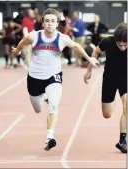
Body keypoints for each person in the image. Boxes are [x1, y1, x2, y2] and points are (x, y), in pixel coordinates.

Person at [12, 8, 99, 151]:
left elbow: (76, 46)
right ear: (43, 23)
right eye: (47, 21)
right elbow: (23, 42)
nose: (49, 24)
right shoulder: (34, 36)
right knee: (38, 109)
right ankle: (44, 96)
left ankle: (50, 137)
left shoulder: (62, 38)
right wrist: (17, 50)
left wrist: (90, 59)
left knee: (54, 105)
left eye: (53, 21)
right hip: (35, 77)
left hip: (54, 75)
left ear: (57, 23)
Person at [84, 22, 127, 153]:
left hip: (125, 79)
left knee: (127, 107)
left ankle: (122, 141)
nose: (122, 47)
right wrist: (89, 70)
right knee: (107, 114)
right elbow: (95, 52)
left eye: (125, 45)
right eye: (120, 44)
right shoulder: (108, 41)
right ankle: (113, 101)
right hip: (110, 79)